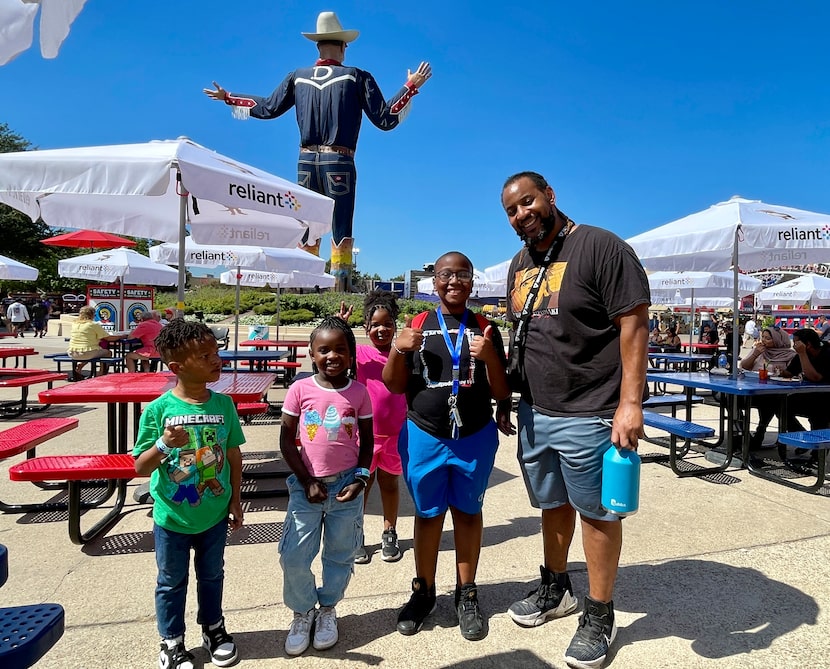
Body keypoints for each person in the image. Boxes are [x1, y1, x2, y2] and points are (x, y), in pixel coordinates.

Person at [500, 172, 649, 669]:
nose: (522, 214)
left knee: (598, 513)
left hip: (591, 410)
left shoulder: (601, 247)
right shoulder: (521, 263)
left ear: (550, 197)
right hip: (536, 412)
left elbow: (634, 321)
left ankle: (599, 612)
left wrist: (631, 402)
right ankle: (557, 587)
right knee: (552, 504)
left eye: (528, 201)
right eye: (512, 210)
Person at [203, 11, 431, 290]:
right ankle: (340, 288)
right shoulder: (356, 77)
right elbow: (385, 118)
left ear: (317, 45)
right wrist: (410, 87)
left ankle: (303, 286)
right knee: (341, 225)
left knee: (307, 222)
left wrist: (230, 97)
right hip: (339, 159)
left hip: (306, 160)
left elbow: (267, 108)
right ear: (343, 46)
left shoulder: (297, 77)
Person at [383, 251, 511, 641]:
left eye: (463, 275)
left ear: (473, 282)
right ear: (433, 281)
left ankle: (466, 593)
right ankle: (423, 591)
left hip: (473, 436)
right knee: (427, 513)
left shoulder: (487, 328)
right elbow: (394, 384)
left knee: (468, 513)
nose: (454, 281)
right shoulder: (417, 325)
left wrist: (490, 359)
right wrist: (398, 349)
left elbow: (503, 391)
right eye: (445, 275)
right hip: (424, 435)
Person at [133, 319, 244, 669]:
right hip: (172, 518)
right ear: (177, 368)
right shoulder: (158, 410)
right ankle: (171, 641)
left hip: (213, 514)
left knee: (213, 575)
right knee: (171, 581)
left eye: (216, 352)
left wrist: (236, 499)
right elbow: (140, 467)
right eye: (205, 355)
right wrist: (164, 444)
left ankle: (213, 628)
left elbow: (233, 454)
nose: (216, 359)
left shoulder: (224, 405)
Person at [279, 316, 374, 656]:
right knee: (294, 555)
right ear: (311, 353)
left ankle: (328, 608)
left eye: (340, 350)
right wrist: (306, 481)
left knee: (340, 553)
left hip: (347, 486)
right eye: (324, 350)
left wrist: (362, 478)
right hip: (307, 488)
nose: (332, 356)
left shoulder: (359, 392)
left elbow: (367, 442)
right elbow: (287, 442)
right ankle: (303, 611)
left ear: (351, 356)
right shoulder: (299, 390)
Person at [338, 290, 408, 565]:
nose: (381, 329)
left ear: (395, 326)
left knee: (390, 484)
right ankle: (356, 536)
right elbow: (337, 348)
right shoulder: (360, 354)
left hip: (396, 434)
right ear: (365, 328)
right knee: (362, 486)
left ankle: (389, 532)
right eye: (375, 325)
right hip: (365, 437)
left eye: (387, 324)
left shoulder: (401, 353)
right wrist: (341, 325)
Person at [739, 327, 796, 449]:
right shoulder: (760, 351)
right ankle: (743, 431)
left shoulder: (790, 355)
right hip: (753, 389)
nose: (764, 340)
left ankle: (760, 431)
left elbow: (794, 374)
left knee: (770, 400)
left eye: (768, 338)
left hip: (778, 392)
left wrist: (782, 372)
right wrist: (755, 354)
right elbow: (744, 366)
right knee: (731, 400)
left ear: (778, 340)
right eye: (763, 337)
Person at [780, 328, 830, 449]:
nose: (794, 345)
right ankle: (802, 435)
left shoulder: (827, 353)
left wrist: (802, 354)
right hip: (810, 395)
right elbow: (789, 372)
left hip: (826, 397)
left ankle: (817, 455)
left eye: (797, 342)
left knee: (819, 415)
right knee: (781, 406)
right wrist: (778, 370)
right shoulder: (801, 355)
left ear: (807, 344)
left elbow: (815, 377)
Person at [66, 305, 124, 381]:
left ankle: (80, 366)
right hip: (87, 352)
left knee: (91, 351)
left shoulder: (75, 324)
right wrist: (121, 336)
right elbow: (108, 338)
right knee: (107, 353)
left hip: (72, 352)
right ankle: (101, 373)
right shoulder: (93, 325)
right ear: (92, 315)